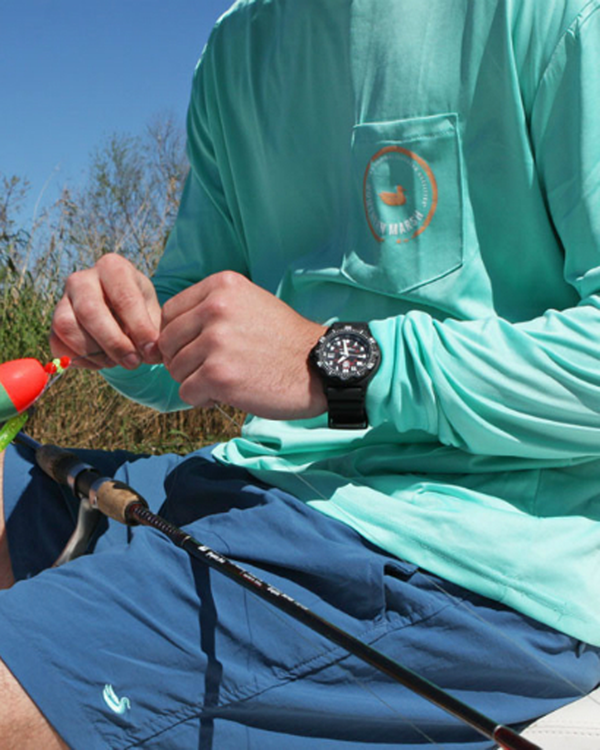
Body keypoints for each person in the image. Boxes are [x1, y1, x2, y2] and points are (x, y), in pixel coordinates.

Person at [1, 0, 600, 747]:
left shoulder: (559, 16)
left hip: (470, 556)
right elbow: (186, 348)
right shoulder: (237, 45)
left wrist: (334, 365)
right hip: (256, 488)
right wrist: (121, 332)